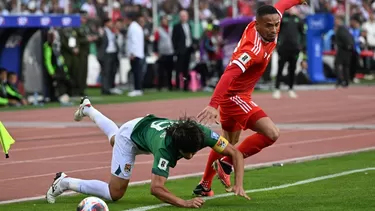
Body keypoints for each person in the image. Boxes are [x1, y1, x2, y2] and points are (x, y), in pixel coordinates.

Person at [192, 0, 308, 197]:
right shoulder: (251, 50)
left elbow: (281, 4)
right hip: (235, 96)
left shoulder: (271, 20)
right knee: (271, 133)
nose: (274, 29)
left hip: (238, 96)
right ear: (257, 24)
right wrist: (213, 105)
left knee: (228, 141)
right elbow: (228, 75)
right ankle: (227, 163)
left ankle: (204, 184)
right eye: (269, 26)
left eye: (276, 25)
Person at [46, 97, 249, 208]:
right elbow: (156, 188)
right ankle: (64, 182)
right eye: (186, 153)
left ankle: (89, 108)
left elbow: (236, 153)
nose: (190, 157)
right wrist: (183, 202)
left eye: (193, 151)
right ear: (176, 147)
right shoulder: (164, 149)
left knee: (113, 137)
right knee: (115, 193)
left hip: (145, 126)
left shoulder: (202, 133)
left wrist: (239, 184)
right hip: (132, 137)